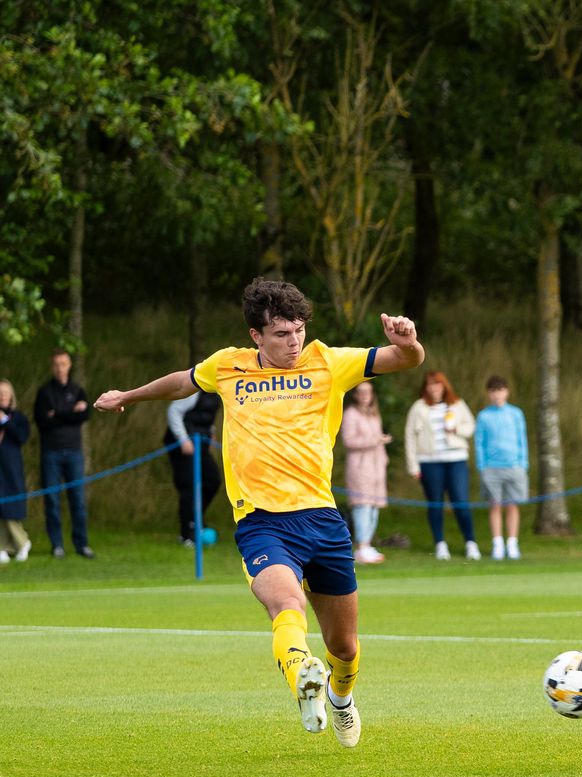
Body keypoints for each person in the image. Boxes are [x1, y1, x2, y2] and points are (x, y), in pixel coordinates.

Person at [95, 278, 425, 748]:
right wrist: (129, 395)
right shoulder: (227, 366)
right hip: (262, 522)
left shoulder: (329, 362)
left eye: (299, 331)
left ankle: (340, 696)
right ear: (256, 336)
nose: (294, 343)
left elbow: (405, 360)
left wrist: (408, 342)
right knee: (285, 604)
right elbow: (181, 382)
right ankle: (303, 682)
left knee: (345, 649)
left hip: (323, 520)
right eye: (281, 334)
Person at [404, 371, 480, 561]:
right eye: (430, 385)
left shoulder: (457, 404)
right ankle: (440, 544)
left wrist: (457, 429)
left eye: (437, 384)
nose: (434, 388)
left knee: (461, 502)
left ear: (444, 386)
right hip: (429, 462)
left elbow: (470, 426)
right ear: (425, 388)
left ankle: (470, 543)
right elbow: (410, 437)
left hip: (456, 459)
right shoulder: (419, 407)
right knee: (435, 504)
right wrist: (413, 466)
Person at [34, 348, 94, 559]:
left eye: (64, 364)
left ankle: (81, 544)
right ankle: (57, 545)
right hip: (51, 453)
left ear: (69, 365)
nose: (60, 368)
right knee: (52, 500)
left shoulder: (78, 390)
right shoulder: (44, 392)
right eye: (56, 364)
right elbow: (43, 421)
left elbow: (84, 415)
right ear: (52, 367)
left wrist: (58, 413)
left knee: (77, 500)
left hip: (74, 453)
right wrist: (70, 412)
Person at [474, 375, 528, 560]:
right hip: (491, 468)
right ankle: (497, 543)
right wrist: (482, 466)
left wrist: (523, 463)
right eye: (493, 391)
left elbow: (522, 439)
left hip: (514, 465)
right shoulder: (483, 415)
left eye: (500, 391)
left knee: (512, 505)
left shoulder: (516, 413)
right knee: (495, 506)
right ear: (489, 394)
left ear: (506, 392)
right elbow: (479, 442)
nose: (497, 395)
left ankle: (512, 543)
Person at [341, 381, 392, 564]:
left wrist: (384, 457)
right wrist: (375, 440)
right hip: (359, 468)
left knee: (374, 508)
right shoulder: (350, 414)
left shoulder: (374, 415)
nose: (365, 396)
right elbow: (349, 441)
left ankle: (368, 544)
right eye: (361, 392)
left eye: (368, 392)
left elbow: (378, 441)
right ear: (355, 394)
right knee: (362, 506)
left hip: (377, 467)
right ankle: (361, 547)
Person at [164, 391, 222, 547]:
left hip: (200, 442)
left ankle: (196, 520)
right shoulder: (194, 390)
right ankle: (186, 534)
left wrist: (212, 433)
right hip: (182, 444)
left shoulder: (219, 391)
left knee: (212, 480)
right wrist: (183, 440)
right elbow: (174, 411)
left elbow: (206, 416)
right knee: (189, 486)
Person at [0, 380, 33, 563]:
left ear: (11, 395)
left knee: (11, 506)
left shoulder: (17, 417)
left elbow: (22, 437)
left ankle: (22, 542)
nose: (3, 396)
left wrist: (5, 421)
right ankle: (3, 547)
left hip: (11, 468)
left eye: (5, 393)